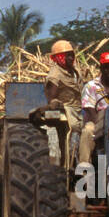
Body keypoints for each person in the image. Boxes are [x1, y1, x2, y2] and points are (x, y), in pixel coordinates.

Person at [30, 39, 82, 168]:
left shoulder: (76, 72)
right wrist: (55, 104)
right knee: (73, 128)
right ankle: (68, 165)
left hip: (81, 108)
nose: (71, 58)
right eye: (67, 55)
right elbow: (51, 98)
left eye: (72, 54)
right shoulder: (55, 74)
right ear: (59, 58)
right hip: (67, 109)